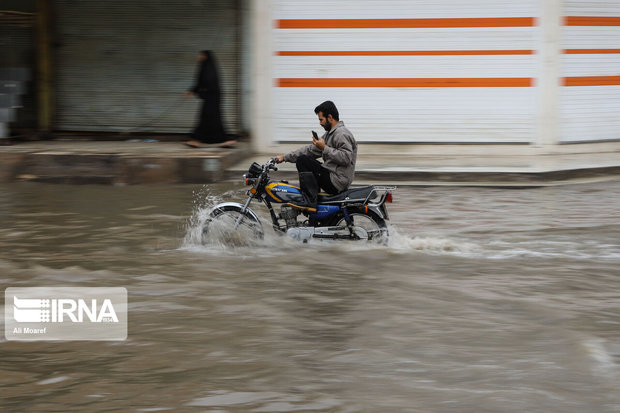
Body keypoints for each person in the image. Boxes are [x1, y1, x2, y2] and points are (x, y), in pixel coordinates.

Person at [276, 100, 357, 213]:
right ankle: (314, 203)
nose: (320, 123)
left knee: (303, 161)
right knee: (305, 158)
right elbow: (309, 150)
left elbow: (346, 158)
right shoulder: (331, 134)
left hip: (337, 181)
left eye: (321, 120)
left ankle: (309, 201)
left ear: (330, 117)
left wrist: (324, 148)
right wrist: (285, 157)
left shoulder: (341, 134)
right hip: (333, 176)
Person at [184, 50, 237, 148]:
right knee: (211, 119)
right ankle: (223, 140)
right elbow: (200, 82)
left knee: (207, 117)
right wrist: (192, 90)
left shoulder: (210, 69)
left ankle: (199, 140)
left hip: (213, 98)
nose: (199, 56)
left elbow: (209, 84)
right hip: (209, 98)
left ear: (206, 56)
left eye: (201, 55)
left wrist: (200, 90)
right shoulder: (204, 67)